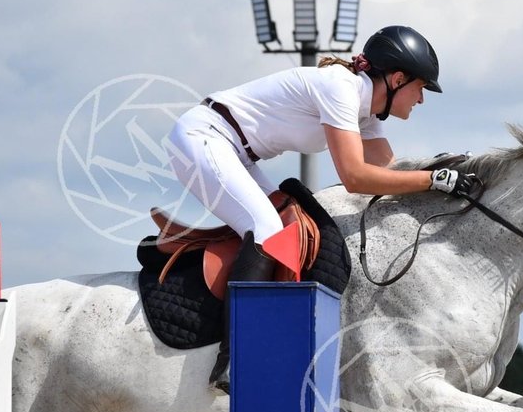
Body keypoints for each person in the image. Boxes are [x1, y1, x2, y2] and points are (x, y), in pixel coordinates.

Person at [164, 24, 481, 389]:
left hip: (236, 152)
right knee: (267, 228)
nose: (421, 99)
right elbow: (355, 177)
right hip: (203, 138)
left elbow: (390, 173)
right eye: (421, 88)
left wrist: (443, 175)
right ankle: (236, 357)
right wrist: (432, 179)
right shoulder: (340, 88)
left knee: (292, 228)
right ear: (397, 79)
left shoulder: (366, 113)